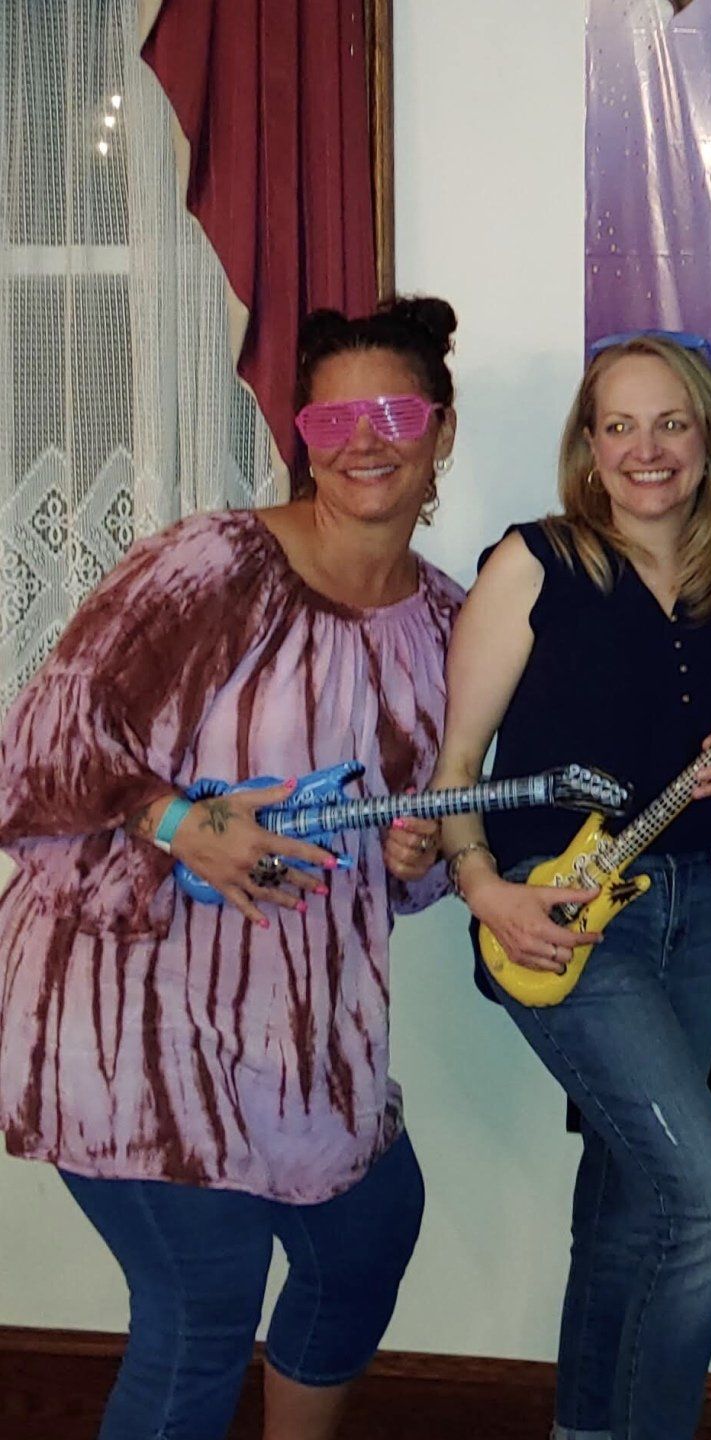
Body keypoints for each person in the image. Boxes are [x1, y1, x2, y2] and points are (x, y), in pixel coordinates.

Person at [0, 297, 463, 1440]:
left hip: (296, 1028)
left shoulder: (449, 624)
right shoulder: (213, 567)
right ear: (302, 436)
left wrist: (413, 855)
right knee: (203, 1310)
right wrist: (176, 822)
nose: (364, 441)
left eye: (396, 413)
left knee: (366, 1237)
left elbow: (413, 870)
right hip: (127, 1007)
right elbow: (40, 746)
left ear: (442, 431)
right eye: (332, 419)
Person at [430, 334, 711, 1440]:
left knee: (632, 1204)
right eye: (618, 425)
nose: (645, 448)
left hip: (702, 910)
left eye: (670, 422)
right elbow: (455, 768)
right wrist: (484, 891)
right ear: (587, 444)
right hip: (566, 921)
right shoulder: (533, 563)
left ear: (708, 439)